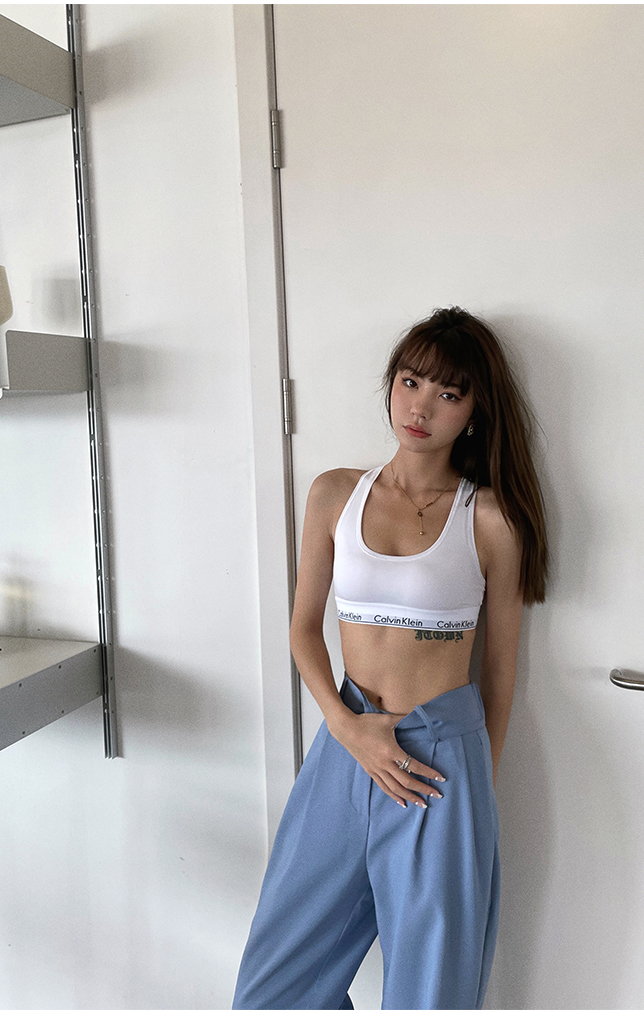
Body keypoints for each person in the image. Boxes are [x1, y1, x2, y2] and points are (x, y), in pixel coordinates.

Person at [232, 306, 548, 1010]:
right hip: (344, 744)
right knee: (273, 991)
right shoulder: (334, 494)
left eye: (448, 393)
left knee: (431, 993)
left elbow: (499, 674)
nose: (421, 407)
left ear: (474, 411)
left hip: (441, 764)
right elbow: (303, 631)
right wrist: (347, 728)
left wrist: (474, 795)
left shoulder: (490, 519)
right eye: (410, 382)